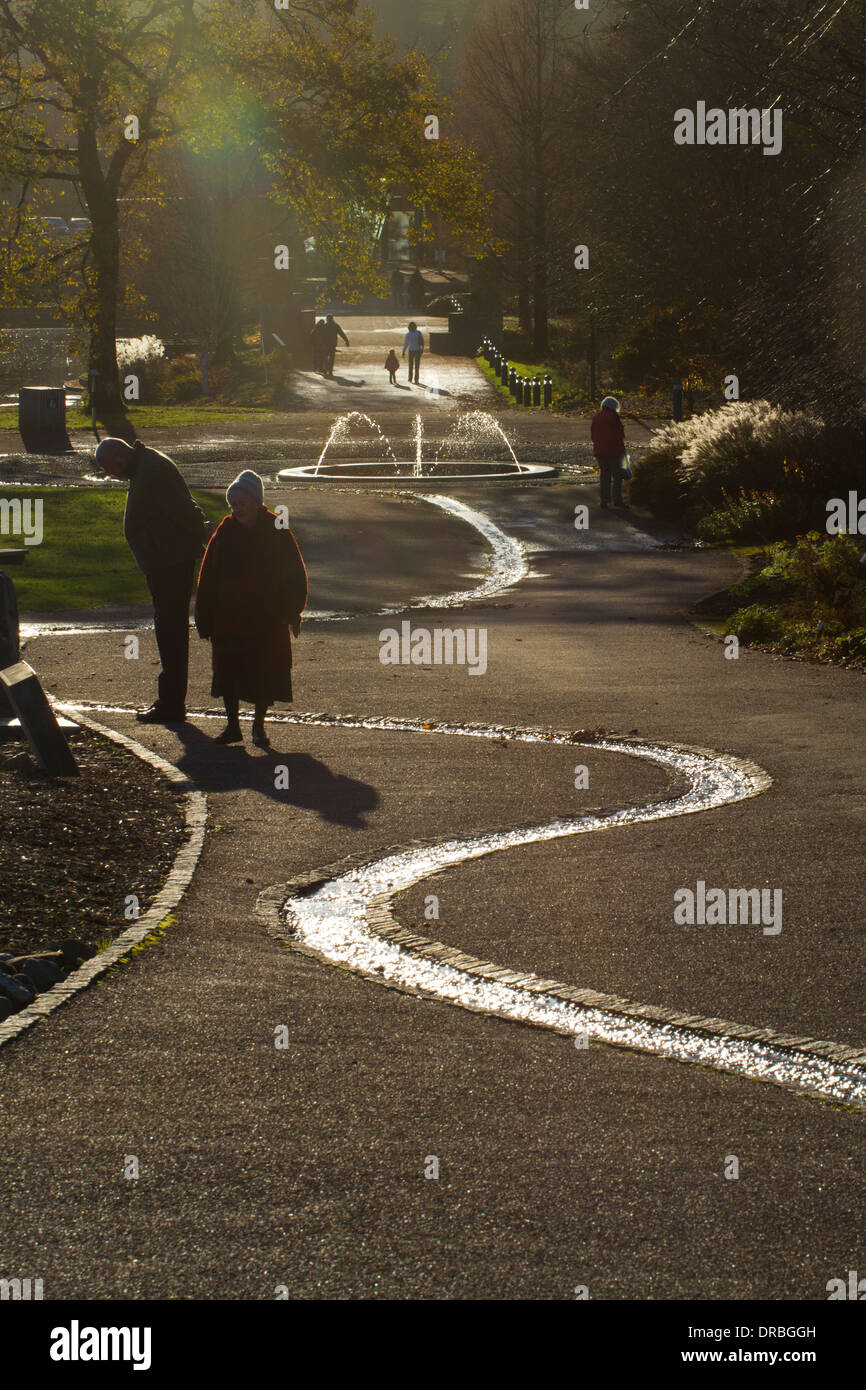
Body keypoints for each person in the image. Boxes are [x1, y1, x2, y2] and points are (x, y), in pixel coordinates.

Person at [95, 435, 214, 724]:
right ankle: (170, 702)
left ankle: (171, 704)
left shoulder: (152, 470)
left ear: (119, 459)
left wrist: (204, 535)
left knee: (170, 631)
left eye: (110, 470)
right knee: (169, 629)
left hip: (170, 562)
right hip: (165, 561)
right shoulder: (145, 467)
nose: (113, 476)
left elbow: (181, 509)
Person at [194, 470, 308, 749]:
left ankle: (258, 725)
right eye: (232, 503)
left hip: (267, 616)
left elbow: (295, 572)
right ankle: (233, 725)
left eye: (241, 501)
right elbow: (208, 576)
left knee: (264, 672)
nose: (236, 507)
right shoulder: (225, 530)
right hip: (229, 616)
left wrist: (293, 610)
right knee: (228, 671)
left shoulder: (276, 527)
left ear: (257, 501)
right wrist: (204, 617)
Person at [590, 396, 628, 509]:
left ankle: (604, 500)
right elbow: (619, 435)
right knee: (617, 476)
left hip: (600, 451)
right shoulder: (614, 417)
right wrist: (622, 451)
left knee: (604, 476)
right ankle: (617, 499)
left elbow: (593, 436)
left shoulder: (596, 417)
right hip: (613, 451)